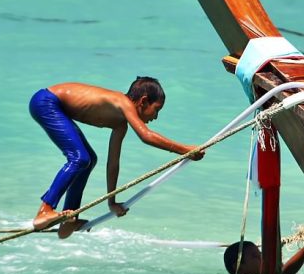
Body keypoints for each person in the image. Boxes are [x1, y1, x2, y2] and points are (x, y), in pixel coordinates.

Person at [30, 77, 205, 238]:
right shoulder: (122, 102)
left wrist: (111, 202)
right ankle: (45, 210)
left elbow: (113, 164)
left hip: (55, 107)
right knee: (80, 158)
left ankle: (70, 218)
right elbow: (146, 136)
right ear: (144, 101)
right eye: (156, 110)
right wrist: (185, 150)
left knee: (89, 160)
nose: (156, 116)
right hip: (46, 101)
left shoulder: (120, 124)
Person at [223, 222, 304, 274]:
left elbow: (280, 270)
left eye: (260, 253)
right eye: (255, 256)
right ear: (239, 268)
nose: (261, 257)